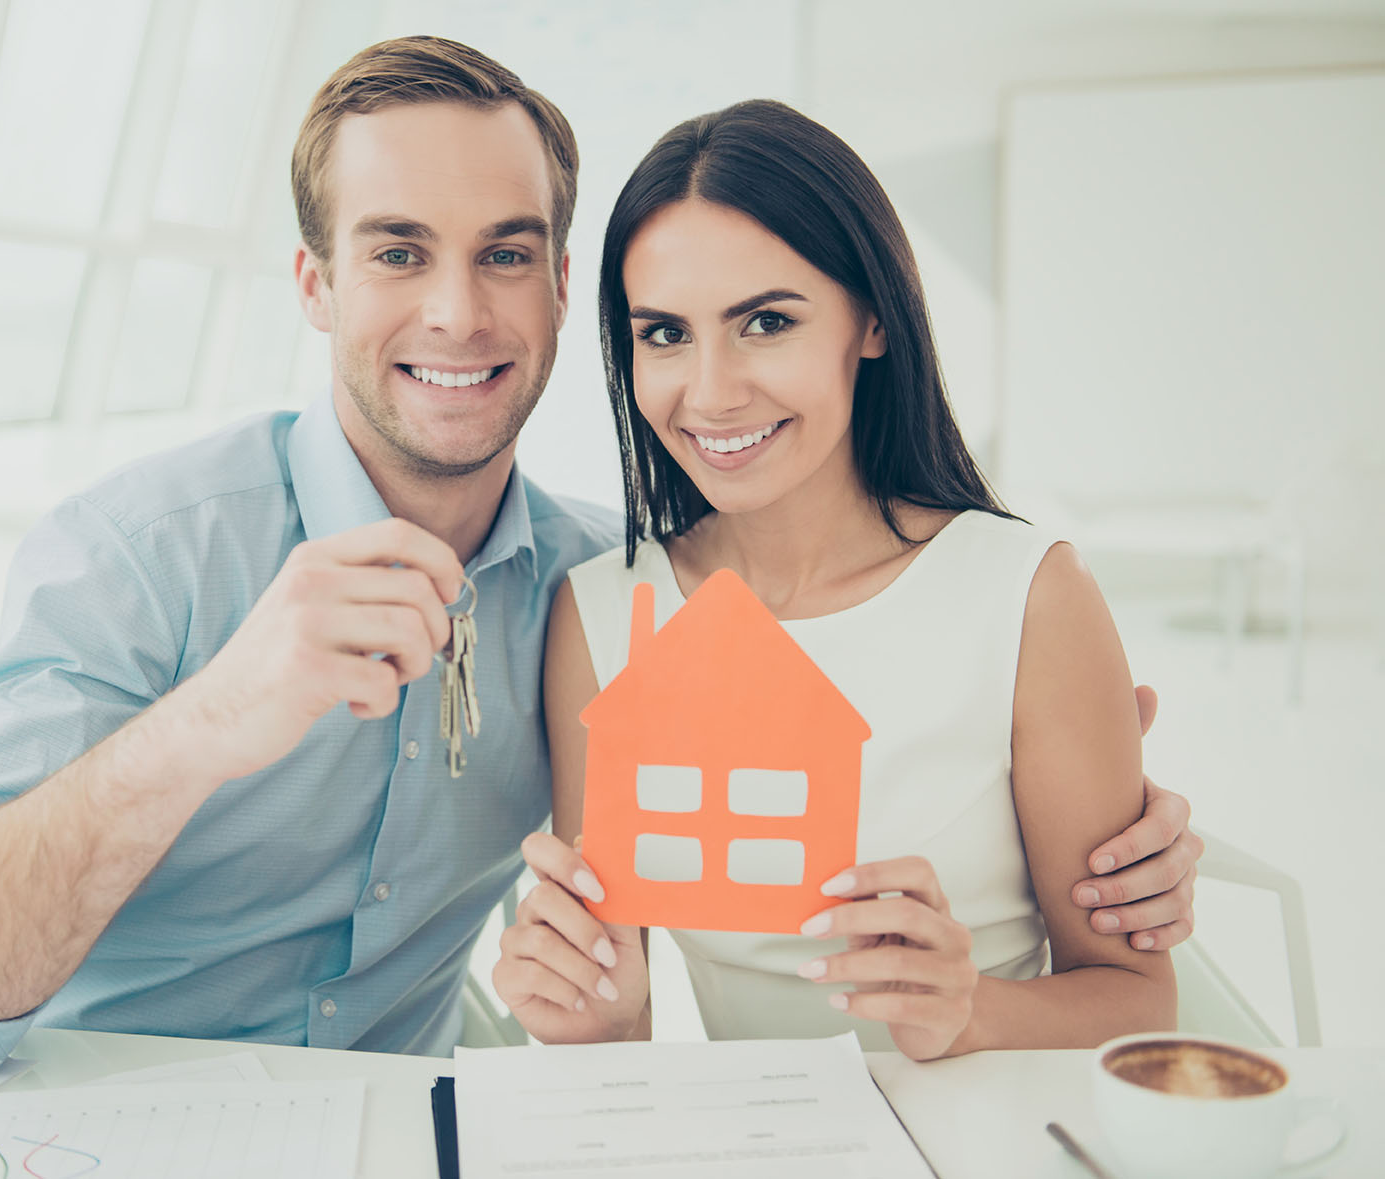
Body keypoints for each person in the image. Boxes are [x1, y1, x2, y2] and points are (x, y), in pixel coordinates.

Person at [0, 40, 1199, 1074]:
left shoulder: (592, 594)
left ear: (555, 287)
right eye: (397, 250)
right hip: (77, 1121)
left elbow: (647, 968)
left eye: (506, 253)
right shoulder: (140, 553)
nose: (455, 310)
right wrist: (211, 722)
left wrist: (1112, 822)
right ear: (314, 283)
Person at [494, 99, 1180, 1060]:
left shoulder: (1028, 595)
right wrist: (591, 1014)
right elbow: (622, 1022)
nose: (712, 390)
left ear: (872, 320)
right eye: (664, 333)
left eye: (765, 321)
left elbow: (1139, 999)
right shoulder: (605, 616)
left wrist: (967, 1011)